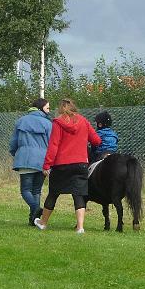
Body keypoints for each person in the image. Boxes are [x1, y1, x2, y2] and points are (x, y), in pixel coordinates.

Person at [34, 98, 102, 234]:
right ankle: (80, 227)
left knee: (53, 193)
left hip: (61, 165)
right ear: (74, 107)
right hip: (81, 164)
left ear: (61, 109)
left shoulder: (58, 123)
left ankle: (43, 222)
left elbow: (53, 145)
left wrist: (47, 164)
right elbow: (96, 140)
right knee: (79, 195)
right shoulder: (84, 121)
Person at [9, 98, 53, 226]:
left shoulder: (21, 121)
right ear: (41, 108)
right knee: (36, 191)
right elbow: (52, 143)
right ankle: (33, 219)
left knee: (25, 190)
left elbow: (14, 142)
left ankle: (35, 208)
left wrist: (15, 153)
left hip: (25, 158)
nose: (49, 111)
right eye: (47, 108)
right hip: (42, 160)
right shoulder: (48, 123)